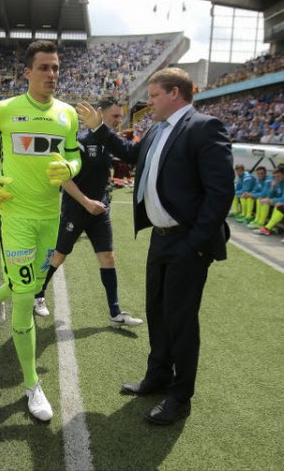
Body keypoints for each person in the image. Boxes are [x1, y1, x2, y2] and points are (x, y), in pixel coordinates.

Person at [76, 67, 234, 425]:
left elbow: (221, 191)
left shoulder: (204, 127)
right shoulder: (158, 130)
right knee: (157, 311)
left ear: (175, 93)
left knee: (180, 318)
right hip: (160, 240)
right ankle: (159, 375)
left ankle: (181, 397)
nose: (149, 102)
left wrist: (196, 242)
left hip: (187, 242)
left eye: (155, 94)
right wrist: (100, 128)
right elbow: (131, 154)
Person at [0, 40, 81, 422]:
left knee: (27, 284)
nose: (51, 74)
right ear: (26, 72)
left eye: (56, 68)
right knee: (27, 295)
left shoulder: (68, 115)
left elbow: (75, 154)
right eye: (44, 67)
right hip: (14, 217)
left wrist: (72, 168)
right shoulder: (4, 110)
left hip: (50, 218)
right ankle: (32, 387)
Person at [33, 96, 143, 328]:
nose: (119, 120)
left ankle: (115, 312)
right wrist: (86, 202)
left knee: (108, 257)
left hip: (100, 210)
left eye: (121, 116)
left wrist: (99, 202)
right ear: (99, 114)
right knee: (59, 255)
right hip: (77, 209)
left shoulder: (110, 142)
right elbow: (64, 179)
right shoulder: (80, 141)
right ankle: (37, 295)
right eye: (115, 116)